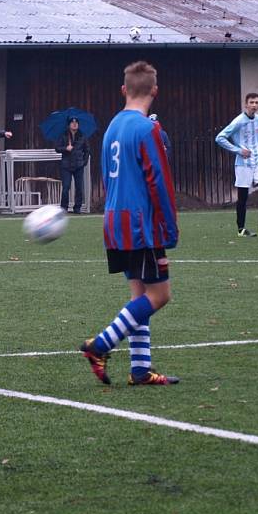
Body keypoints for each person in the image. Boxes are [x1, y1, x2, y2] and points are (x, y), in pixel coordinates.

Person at [79, 61, 180, 386]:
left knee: (140, 294)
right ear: (155, 90)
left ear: (123, 90)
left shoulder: (111, 128)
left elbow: (107, 177)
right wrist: (169, 226)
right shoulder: (147, 129)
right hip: (143, 224)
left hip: (115, 220)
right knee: (160, 295)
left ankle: (140, 369)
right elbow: (159, 181)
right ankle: (100, 346)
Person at [215, 93, 258, 237]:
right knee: (243, 197)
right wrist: (238, 150)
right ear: (246, 104)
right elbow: (220, 138)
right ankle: (241, 229)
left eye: (257, 102)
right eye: (252, 102)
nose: (254, 105)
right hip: (243, 164)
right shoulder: (238, 121)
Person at [55, 117, 91, 214]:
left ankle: (77, 208)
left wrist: (84, 161)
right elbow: (57, 148)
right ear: (69, 124)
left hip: (78, 164)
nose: (74, 124)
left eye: (76, 122)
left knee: (79, 187)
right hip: (66, 165)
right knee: (66, 187)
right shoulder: (63, 135)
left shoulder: (82, 136)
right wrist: (66, 148)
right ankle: (64, 208)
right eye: (72, 122)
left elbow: (87, 149)